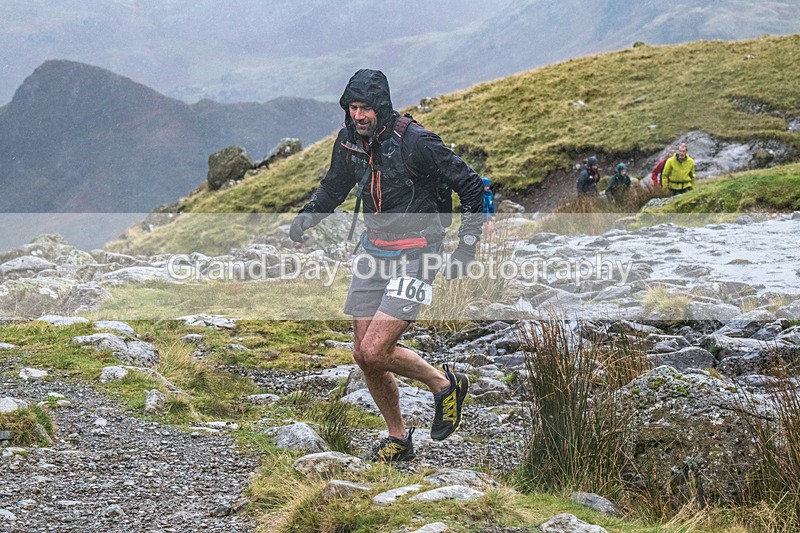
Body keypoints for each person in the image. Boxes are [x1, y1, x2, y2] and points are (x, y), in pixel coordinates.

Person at [289, 69, 482, 462]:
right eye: (352, 107)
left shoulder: (416, 142)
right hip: (373, 251)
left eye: (366, 108)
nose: (359, 116)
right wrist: (309, 215)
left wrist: (466, 248)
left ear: (382, 107)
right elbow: (334, 185)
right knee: (362, 353)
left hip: (419, 252)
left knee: (377, 350)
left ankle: (444, 384)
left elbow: (472, 185)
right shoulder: (348, 141)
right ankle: (398, 438)